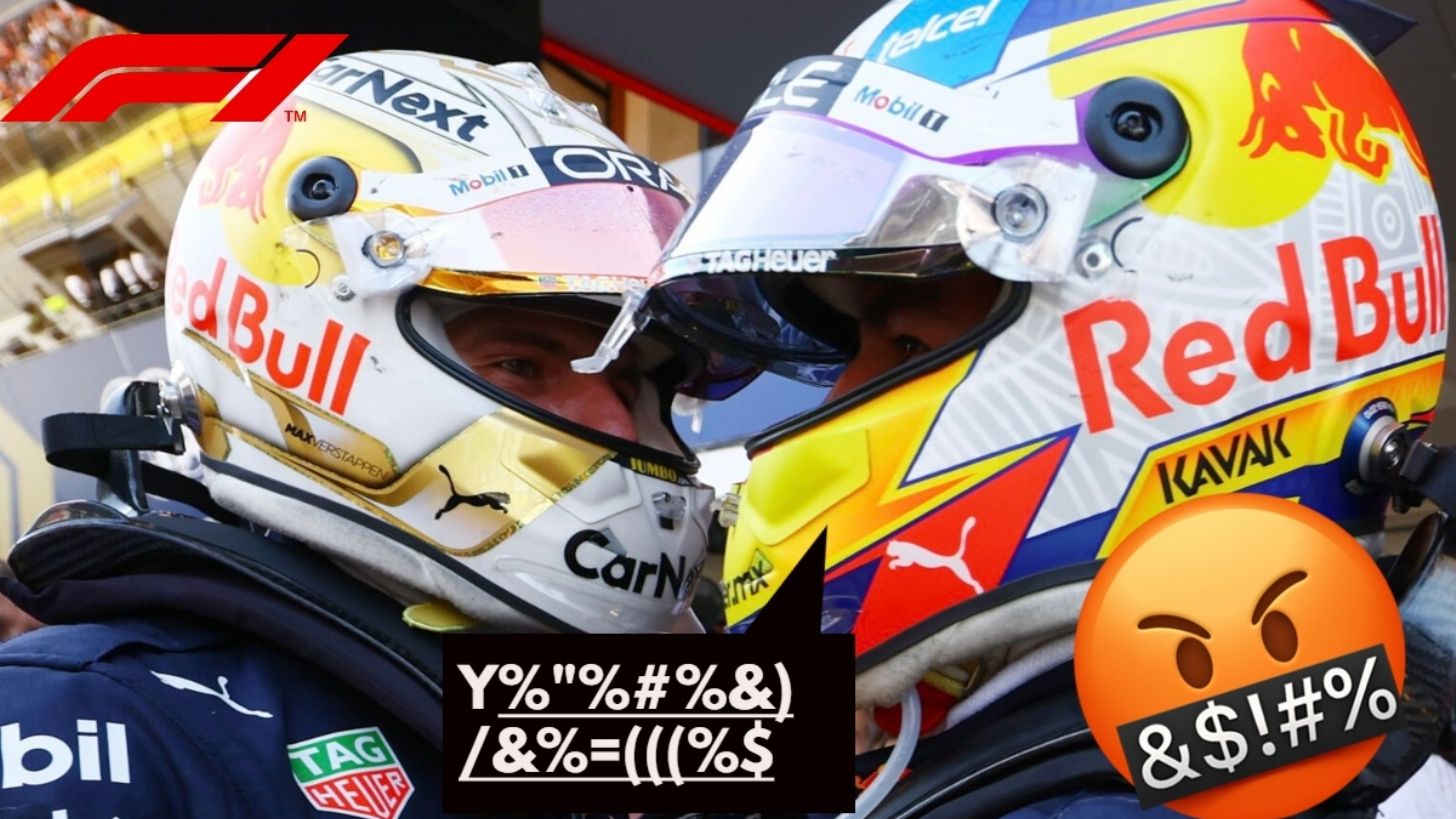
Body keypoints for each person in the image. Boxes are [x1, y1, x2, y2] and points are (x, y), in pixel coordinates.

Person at [582, 0, 1456, 814]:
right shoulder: (1212, 737)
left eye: (907, 344)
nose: (845, 397)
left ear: (1177, 330)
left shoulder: (1098, 782)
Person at [0, 51, 718, 817]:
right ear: (303, 346)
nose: (614, 422)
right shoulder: (85, 720)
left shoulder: (665, 707)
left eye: (629, 382)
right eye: (522, 363)